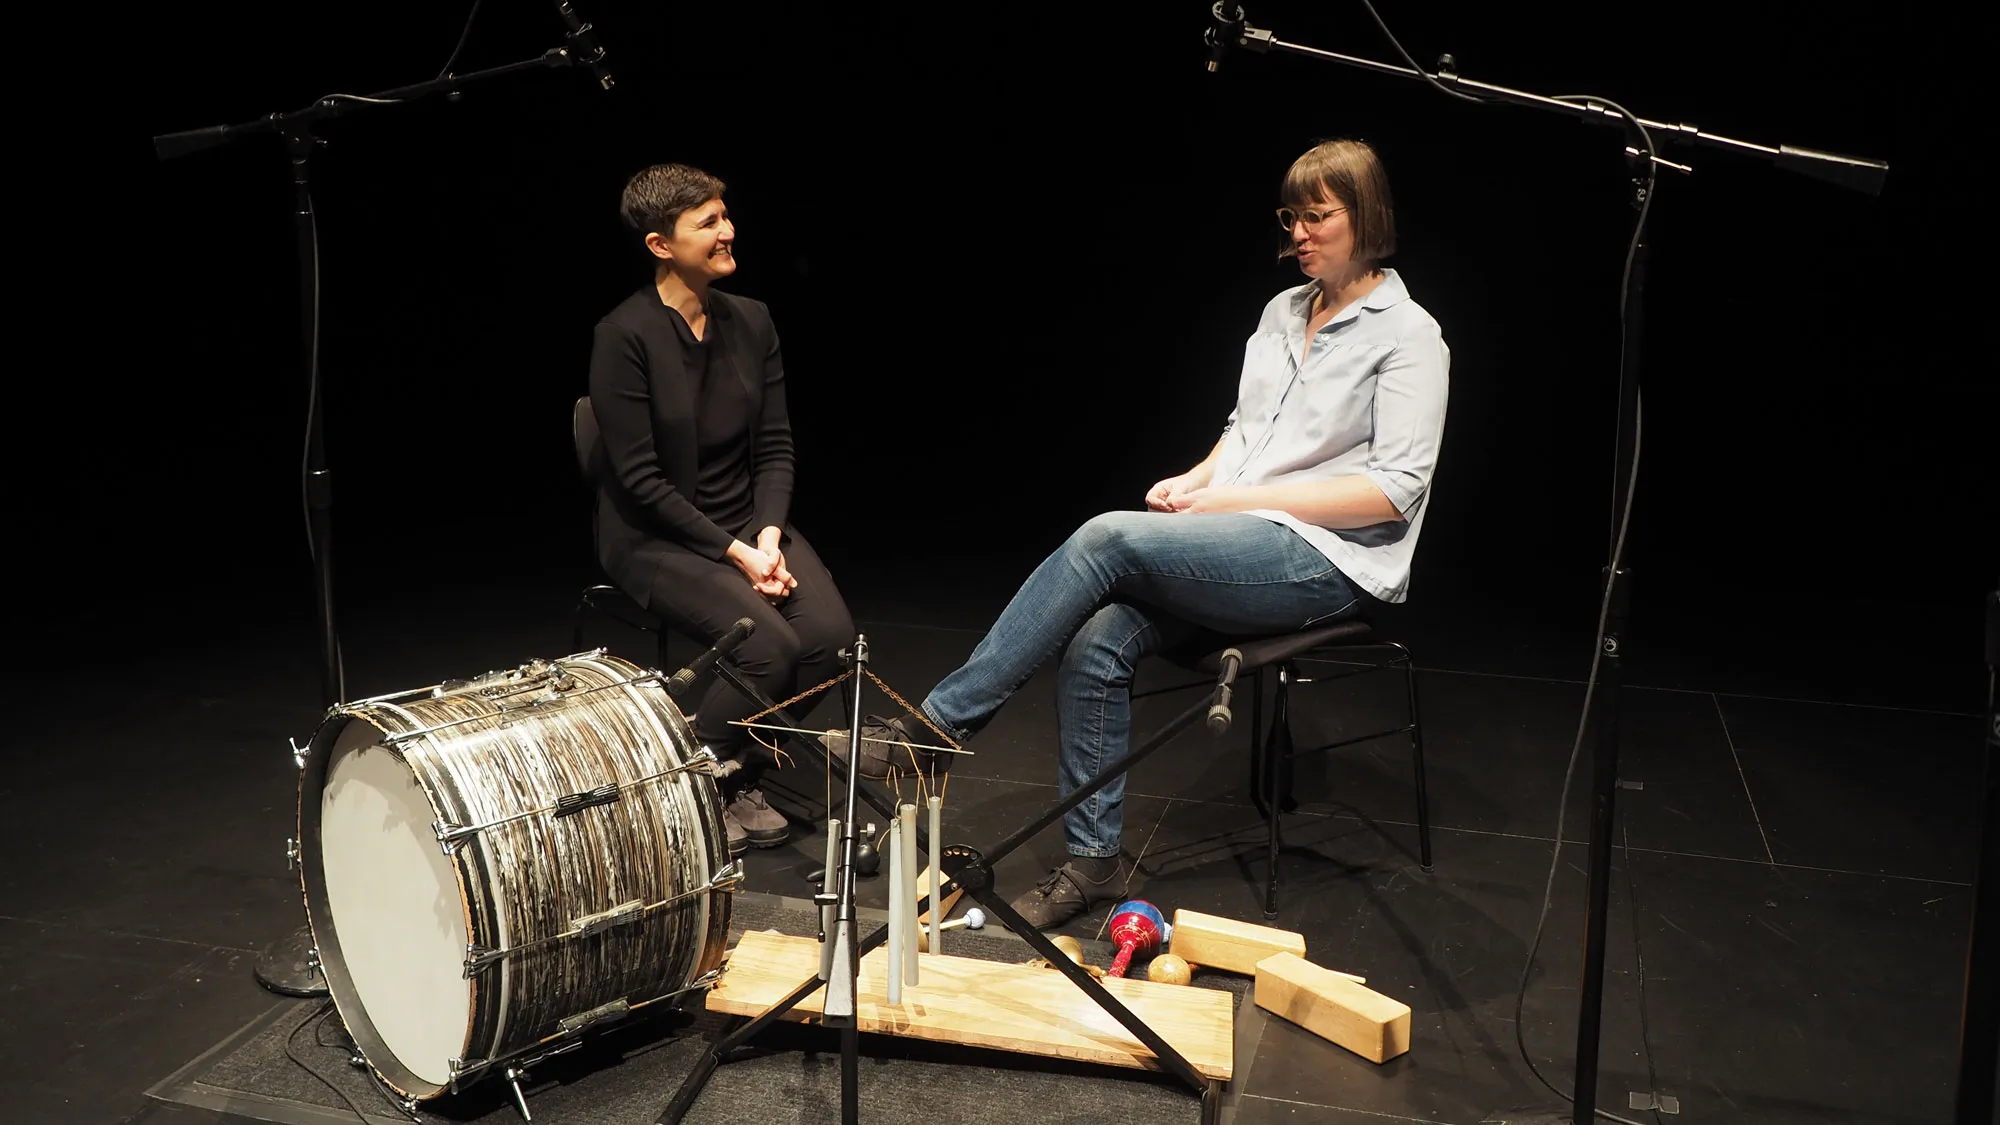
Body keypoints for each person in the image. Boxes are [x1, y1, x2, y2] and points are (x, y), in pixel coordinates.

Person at [827, 138, 1449, 926]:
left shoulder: (1410, 334)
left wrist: (1229, 503)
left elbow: (1391, 494)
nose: (1298, 232)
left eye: (1317, 216)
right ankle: (1093, 865)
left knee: (1106, 539)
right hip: (1245, 532)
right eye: (1290, 216)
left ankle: (933, 730)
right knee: (1097, 643)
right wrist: (1197, 479)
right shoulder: (1280, 311)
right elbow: (1248, 429)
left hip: (1327, 559)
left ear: (1366, 217)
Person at [588, 163, 856, 856]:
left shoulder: (752, 320)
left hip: (745, 523)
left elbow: (775, 445)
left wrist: (767, 533)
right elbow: (641, 480)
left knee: (830, 642)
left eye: (724, 215)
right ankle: (690, 785)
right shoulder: (624, 337)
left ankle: (740, 766)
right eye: (706, 222)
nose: (728, 230)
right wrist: (738, 556)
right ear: (660, 245)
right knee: (768, 646)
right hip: (655, 536)